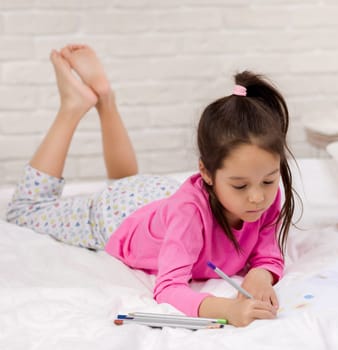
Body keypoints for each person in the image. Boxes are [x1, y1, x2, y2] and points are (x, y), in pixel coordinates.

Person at [6, 44, 298, 327]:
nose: (258, 196)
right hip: (120, 214)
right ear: (206, 173)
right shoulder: (189, 215)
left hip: (159, 196)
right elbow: (169, 288)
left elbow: (267, 249)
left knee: (127, 182)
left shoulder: (264, 193)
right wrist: (228, 310)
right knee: (24, 211)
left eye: (269, 181)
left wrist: (259, 275)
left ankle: (105, 99)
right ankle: (72, 106)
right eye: (240, 186)